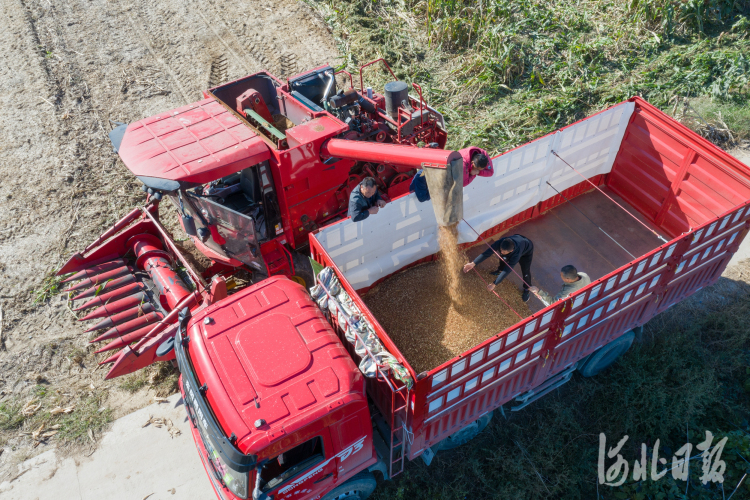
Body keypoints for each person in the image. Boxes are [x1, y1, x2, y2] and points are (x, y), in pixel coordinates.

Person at [462, 234, 534, 302]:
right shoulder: (500, 242)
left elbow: (507, 270)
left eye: (504, 251)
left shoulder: (516, 254)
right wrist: (473, 263)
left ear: (511, 250)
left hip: (526, 250)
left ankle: (527, 288)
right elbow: (487, 253)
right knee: (503, 257)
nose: (501, 252)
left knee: (525, 270)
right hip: (517, 239)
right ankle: (500, 270)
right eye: (501, 250)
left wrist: (494, 284)